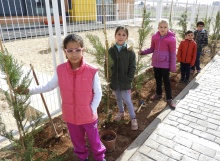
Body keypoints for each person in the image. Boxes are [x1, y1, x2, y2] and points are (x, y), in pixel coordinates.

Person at [18, 34, 106, 161]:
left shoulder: (91, 70)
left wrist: (91, 109)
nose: (74, 54)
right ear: (65, 51)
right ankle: (83, 157)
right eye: (70, 50)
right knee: (77, 141)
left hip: (88, 116)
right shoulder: (61, 70)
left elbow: (98, 93)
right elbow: (48, 86)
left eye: (77, 50)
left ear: (83, 50)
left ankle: (99, 157)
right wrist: (28, 90)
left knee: (94, 140)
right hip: (71, 116)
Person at [139, 20, 176, 109]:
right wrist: (143, 52)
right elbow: (152, 49)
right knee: (158, 79)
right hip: (156, 63)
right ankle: (158, 94)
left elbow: (173, 53)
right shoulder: (154, 37)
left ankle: (169, 98)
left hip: (165, 63)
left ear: (168, 28)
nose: (163, 29)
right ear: (158, 28)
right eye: (161, 27)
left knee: (166, 81)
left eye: (165, 27)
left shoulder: (171, 39)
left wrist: (172, 66)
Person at [108, 26, 138, 130]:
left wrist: (129, 79)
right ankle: (121, 112)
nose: (121, 37)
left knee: (127, 99)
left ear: (127, 37)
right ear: (115, 35)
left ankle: (133, 118)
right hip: (115, 80)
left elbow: (132, 67)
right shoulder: (111, 50)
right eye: (119, 34)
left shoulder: (130, 51)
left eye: (124, 35)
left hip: (125, 81)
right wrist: (109, 77)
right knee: (118, 98)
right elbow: (107, 64)